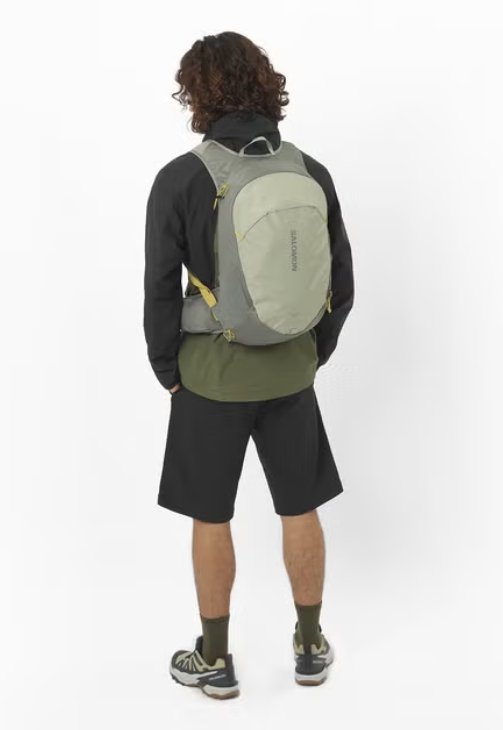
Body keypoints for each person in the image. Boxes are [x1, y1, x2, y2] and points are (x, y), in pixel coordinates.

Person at [143, 31, 355, 700]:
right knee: (300, 507)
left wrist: (168, 368)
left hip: (211, 377)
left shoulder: (180, 178)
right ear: (265, 84)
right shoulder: (310, 171)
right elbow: (341, 283)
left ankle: (214, 659)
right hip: (291, 374)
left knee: (212, 515)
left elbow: (159, 289)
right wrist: (310, 353)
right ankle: (311, 646)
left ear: (196, 96)